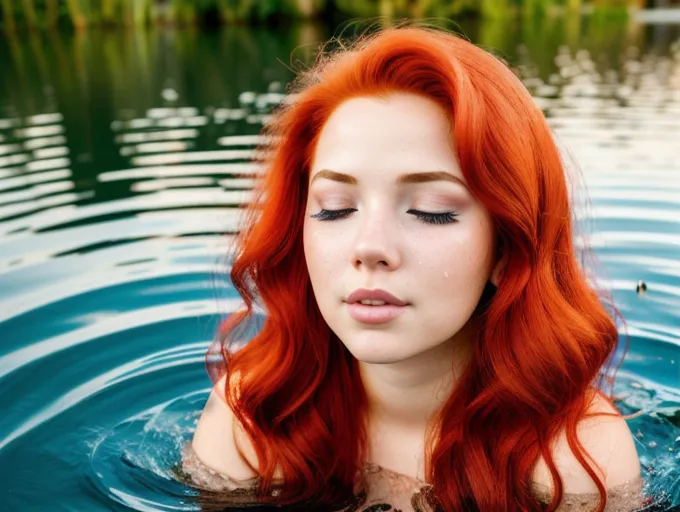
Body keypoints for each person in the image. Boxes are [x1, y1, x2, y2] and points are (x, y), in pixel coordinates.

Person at [185, 23, 646, 511]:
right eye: (335, 208)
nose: (369, 246)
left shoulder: (576, 458)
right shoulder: (253, 418)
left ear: (507, 249)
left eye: (430, 209)